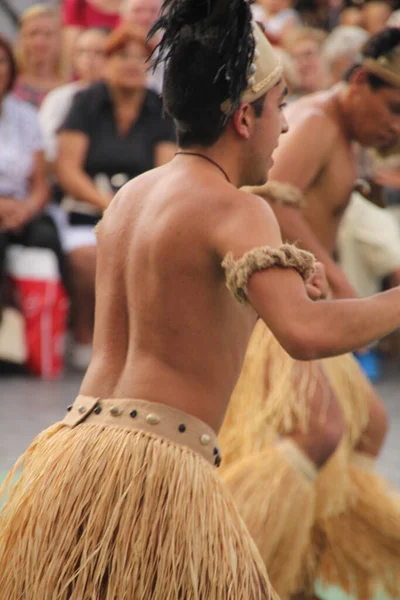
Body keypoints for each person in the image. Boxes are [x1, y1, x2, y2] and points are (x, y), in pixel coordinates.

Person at [2, 1, 400, 598]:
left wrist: (282, 277)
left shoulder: (134, 196)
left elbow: (176, 300)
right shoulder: (239, 207)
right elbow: (306, 333)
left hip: (75, 456)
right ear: (244, 117)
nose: (286, 126)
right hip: (160, 469)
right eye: (280, 106)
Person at [219, 27, 400, 599]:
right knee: (321, 429)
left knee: (368, 424)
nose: (395, 126)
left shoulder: (342, 133)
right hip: (287, 304)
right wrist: (336, 275)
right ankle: (225, 563)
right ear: (358, 82)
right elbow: (269, 197)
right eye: (393, 107)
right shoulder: (320, 122)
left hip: (308, 294)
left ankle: (298, 565)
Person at [0, 35, 64, 372]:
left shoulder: (25, 115)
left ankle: (47, 344)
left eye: (2, 62)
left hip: (22, 209)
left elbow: (41, 185)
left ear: (12, 69)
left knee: (48, 239)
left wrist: (24, 209)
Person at [39, 27, 107, 166]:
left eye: (99, 52)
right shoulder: (58, 98)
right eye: (82, 52)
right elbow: (47, 148)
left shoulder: (130, 97)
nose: (89, 59)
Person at [13, 4, 64, 109]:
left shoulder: (74, 85)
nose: (39, 42)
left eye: (48, 34)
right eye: (33, 34)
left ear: (60, 39)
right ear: (21, 38)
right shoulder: (8, 82)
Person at [62, 0, 122, 77]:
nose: (89, 61)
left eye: (98, 52)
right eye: (82, 52)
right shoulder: (78, 4)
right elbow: (69, 53)